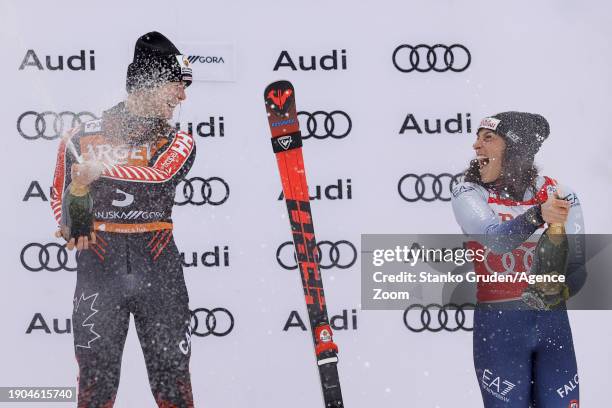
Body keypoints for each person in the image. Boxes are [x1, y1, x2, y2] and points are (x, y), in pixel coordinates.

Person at [50, 31, 196, 408]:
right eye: (177, 85)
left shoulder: (179, 141)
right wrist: (71, 217)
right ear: (148, 81)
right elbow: (59, 198)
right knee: (94, 395)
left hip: (159, 277)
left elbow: (160, 176)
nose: (183, 97)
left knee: (174, 392)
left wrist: (101, 170)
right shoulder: (79, 137)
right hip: (99, 275)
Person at [451, 112, 585, 408]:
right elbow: (496, 240)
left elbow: (577, 270)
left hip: (553, 328)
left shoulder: (560, 193)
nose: (475, 146)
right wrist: (538, 215)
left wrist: (560, 287)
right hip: (500, 330)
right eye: (477, 137)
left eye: (488, 138)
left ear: (514, 150)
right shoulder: (468, 192)